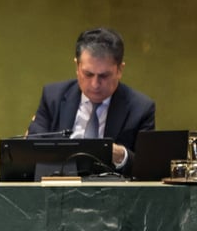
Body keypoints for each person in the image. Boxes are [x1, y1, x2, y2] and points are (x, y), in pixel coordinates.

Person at [27, 27, 155, 175]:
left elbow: (148, 169)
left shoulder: (140, 108)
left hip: (114, 194)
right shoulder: (53, 97)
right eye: (88, 74)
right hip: (58, 190)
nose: (95, 84)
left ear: (120, 70)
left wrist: (121, 155)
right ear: (77, 66)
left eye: (104, 76)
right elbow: (32, 149)